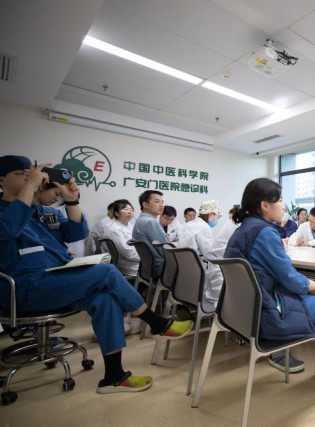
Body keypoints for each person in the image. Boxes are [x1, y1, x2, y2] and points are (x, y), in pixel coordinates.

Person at [0, 155, 193, 394]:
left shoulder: (38, 212)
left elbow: (75, 233)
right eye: (21, 174)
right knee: (107, 271)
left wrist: (72, 200)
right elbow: (8, 229)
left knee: (105, 299)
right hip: (23, 288)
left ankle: (114, 376)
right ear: (1, 180)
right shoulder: (7, 212)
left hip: (54, 281)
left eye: (29, 174)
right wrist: (30, 186)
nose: (28, 178)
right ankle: (156, 322)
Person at [225, 178, 315, 396]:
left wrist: (311, 286)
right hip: (265, 318)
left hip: (239, 315)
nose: (284, 206)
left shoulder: (242, 230)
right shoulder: (265, 232)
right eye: (280, 200)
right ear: (265, 205)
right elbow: (288, 277)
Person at [105, 199, 143, 335]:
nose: (129, 212)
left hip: (135, 261)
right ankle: (142, 313)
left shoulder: (130, 226)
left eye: (131, 209)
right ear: (116, 213)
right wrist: (147, 256)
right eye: (125, 209)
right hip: (130, 265)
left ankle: (144, 312)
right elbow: (128, 252)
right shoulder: (114, 229)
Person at [178, 199, 225, 304]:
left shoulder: (190, 224)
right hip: (197, 269)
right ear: (211, 214)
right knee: (219, 273)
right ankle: (215, 304)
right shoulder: (203, 227)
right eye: (217, 217)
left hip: (186, 269)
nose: (217, 220)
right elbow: (210, 254)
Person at [131, 190, 168, 279]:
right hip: (162, 267)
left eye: (162, 202)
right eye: (157, 202)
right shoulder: (150, 222)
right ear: (145, 205)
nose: (162, 205)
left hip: (148, 268)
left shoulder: (140, 220)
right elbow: (166, 250)